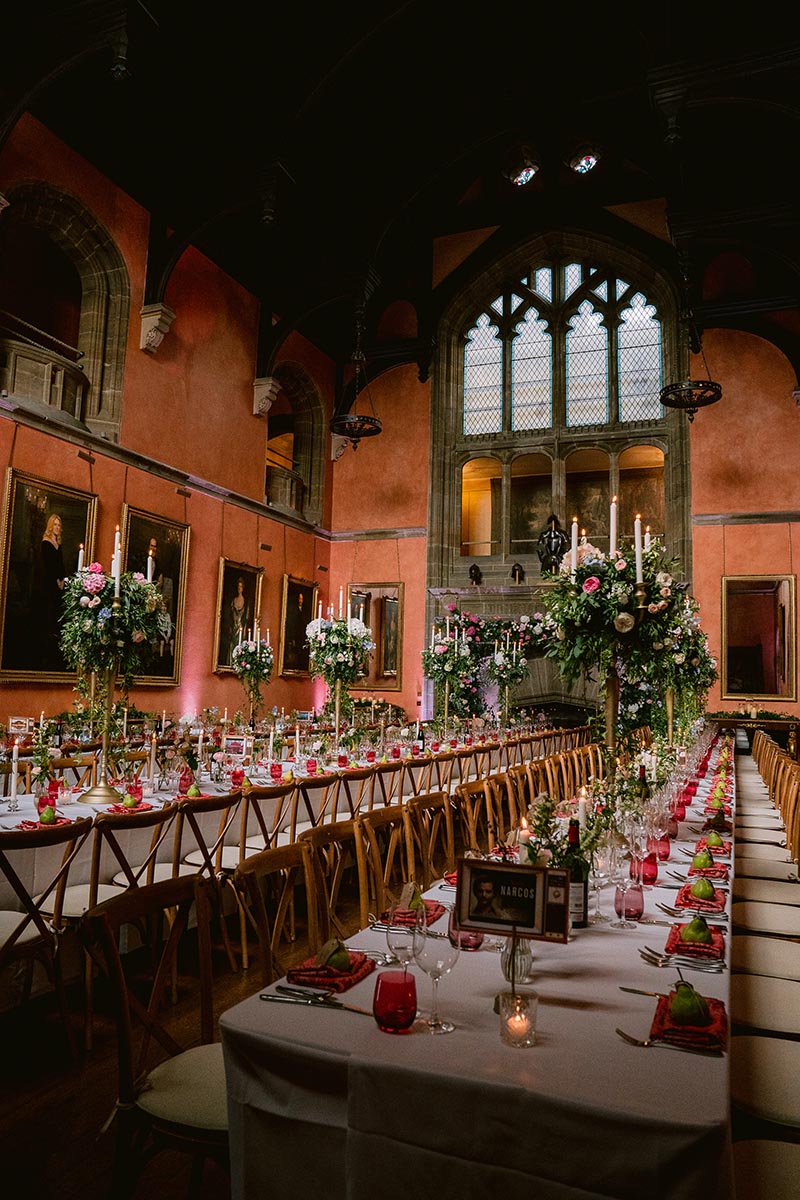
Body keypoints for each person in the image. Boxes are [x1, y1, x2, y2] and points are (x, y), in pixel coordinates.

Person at [34, 513, 66, 670]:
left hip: (59, 581)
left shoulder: (58, 543)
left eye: (59, 525)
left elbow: (60, 563)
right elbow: (49, 565)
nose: (57, 528)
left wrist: (63, 579)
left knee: (57, 612)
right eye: (55, 525)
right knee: (49, 611)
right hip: (49, 582)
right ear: (50, 526)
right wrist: (57, 580)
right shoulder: (46, 543)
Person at [228, 576, 251, 665]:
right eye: (238, 586)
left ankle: (239, 663)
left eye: (241, 586)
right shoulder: (234, 600)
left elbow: (247, 618)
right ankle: (231, 663)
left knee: (240, 645)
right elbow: (230, 615)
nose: (239, 588)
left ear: (243, 588)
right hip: (234, 626)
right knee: (232, 644)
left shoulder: (245, 601)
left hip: (241, 627)